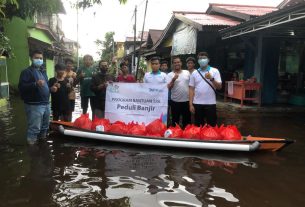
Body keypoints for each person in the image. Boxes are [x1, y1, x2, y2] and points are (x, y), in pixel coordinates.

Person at [18, 49, 50, 145]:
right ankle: (32, 150)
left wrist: (51, 88)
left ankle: (42, 146)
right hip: (34, 105)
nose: (39, 60)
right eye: (36, 58)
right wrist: (35, 84)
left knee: (45, 127)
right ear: (31, 58)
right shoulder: (26, 72)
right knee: (34, 128)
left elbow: (46, 85)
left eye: (41, 58)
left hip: (46, 103)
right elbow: (21, 87)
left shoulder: (43, 72)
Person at [189, 52, 222, 127]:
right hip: (197, 103)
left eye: (204, 58)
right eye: (200, 58)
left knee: (212, 126)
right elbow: (191, 89)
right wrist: (190, 104)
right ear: (198, 61)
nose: (202, 60)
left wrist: (211, 78)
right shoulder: (194, 73)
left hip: (210, 103)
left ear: (208, 60)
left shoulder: (215, 71)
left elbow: (219, 87)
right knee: (198, 126)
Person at [167, 56, 191, 128]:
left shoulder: (187, 72)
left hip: (186, 101)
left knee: (187, 121)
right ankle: (175, 135)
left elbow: (191, 86)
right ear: (173, 64)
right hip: (175, 101)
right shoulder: (170, 74)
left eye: (178, 62)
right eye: (175, 63)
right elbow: (168, 87)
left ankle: (186, 135)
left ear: (181, 63)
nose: (177, 64)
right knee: (175, 120)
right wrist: (173, 79)